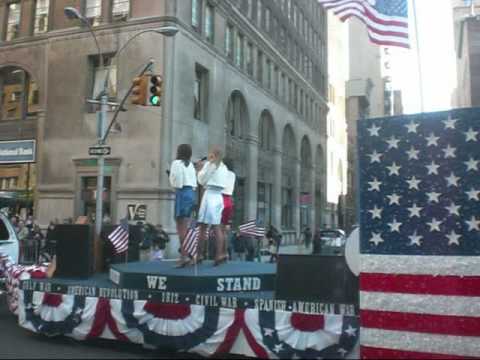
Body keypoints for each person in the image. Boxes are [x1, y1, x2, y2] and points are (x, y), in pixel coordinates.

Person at [195, 146, 229, 266]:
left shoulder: (211, 165)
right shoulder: (224, 167)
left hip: (209, 195)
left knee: (204, 228)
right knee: (217, 227)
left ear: (213, 155)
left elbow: (202, 180)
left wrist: (199, 169)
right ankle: (219, 254)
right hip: (219, 196)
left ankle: (199, 255)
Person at [169, 144, 197, 268]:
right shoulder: (190, 164)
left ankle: (184, 256)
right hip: (191, 193)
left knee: (181, 227)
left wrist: (173, 181)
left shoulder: (176, 163)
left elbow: (176, 180)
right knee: (187, 225)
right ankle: (190, 255)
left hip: (182, 193)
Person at [221, 158, 236, 257]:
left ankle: (220, 253)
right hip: (229, 201)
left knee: (219, 229)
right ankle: (225, 253)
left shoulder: (222, 173)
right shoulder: (233, 175)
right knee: (225, 230)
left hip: (221, 199)